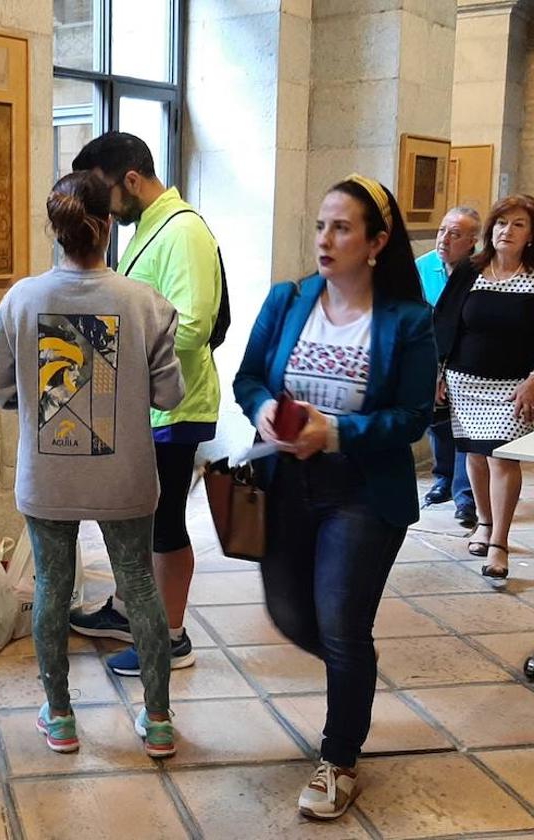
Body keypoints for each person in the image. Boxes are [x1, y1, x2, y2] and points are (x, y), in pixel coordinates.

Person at [233, 174, 436, 819]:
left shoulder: (407, 320)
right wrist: (265, 408)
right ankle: (356, 678)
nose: (325, 239)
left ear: (376, 242)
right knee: (292, 614)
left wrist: (338, 432)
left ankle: (339, 757)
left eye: (342, 227)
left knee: (344, 625)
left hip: (361, 494)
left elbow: (411, 417)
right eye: (321, 225)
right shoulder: (288, 299)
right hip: (286, 483)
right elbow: (248, 377)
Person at [0, 171, 185, 758]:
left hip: (49, 474)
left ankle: (62, 716)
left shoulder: (21, 299)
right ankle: (159, 719)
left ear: (57, 228)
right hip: (124, 475)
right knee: (140, 585)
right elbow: (169, 396)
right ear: (109, 226)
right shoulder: (144, 302)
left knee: (52, 586)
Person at [67, 132, 222, 678]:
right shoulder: (150, 228)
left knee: (164, 524)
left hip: (175, 409)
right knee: (135, 520)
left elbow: (194, 323)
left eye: (103, 191)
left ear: (130, 180)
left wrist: (116, 343)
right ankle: (129, 611)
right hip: (146, 407)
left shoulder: (183, 232)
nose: (100, 206)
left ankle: (172, 637)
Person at [434, 194, 534, 581]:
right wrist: (438, 372)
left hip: (514, 386)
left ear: (531, 235)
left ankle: (500, 543)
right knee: (475, 456)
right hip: (465, 382)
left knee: (503, 458)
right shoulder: (471, 270)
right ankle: (485, 523)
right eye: (502, 223)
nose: (507, 231)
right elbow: (445, 322)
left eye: (518, 225)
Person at [416, 207, 480, 527]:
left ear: (472, 242)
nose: (445, 239)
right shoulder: (423, 267)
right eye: (442, 230)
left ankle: (465, 496)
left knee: (464, 427)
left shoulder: (481, 271)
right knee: (438, 423)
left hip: (467, 358)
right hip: (431, 354)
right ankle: (442, 480)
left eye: (455, 234)